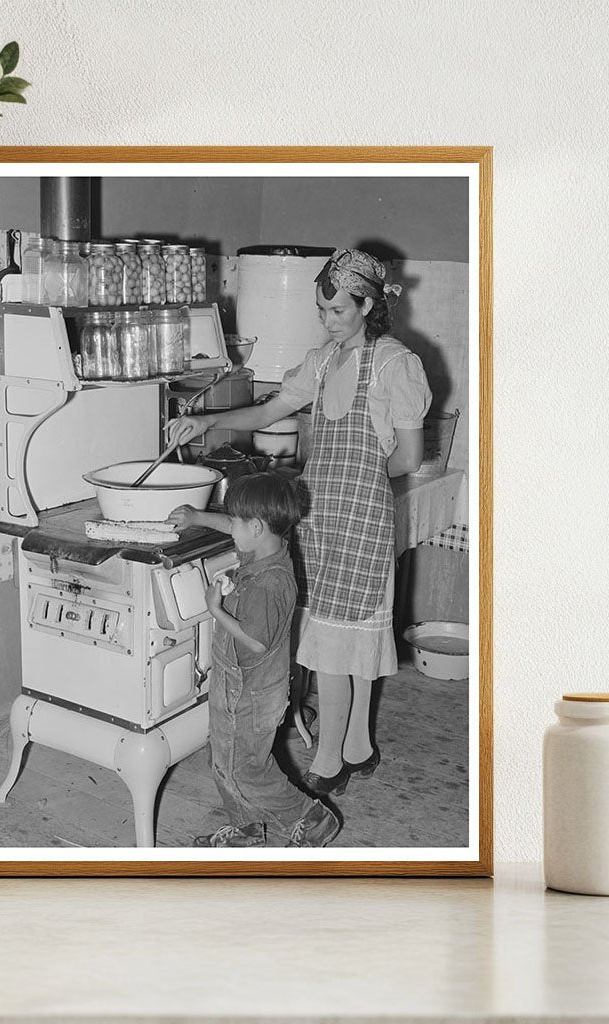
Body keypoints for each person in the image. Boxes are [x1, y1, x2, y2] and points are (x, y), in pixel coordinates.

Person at [166, 248, 432, 798]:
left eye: (337, 310)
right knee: (338, 639)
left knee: (338, 643)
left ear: (367, 304)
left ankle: (330, 761)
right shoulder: (325, 360)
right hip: (319, 513)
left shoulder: (395, 364)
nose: (327, 320)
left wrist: (351, 476)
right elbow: (268, 412)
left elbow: (406, 459)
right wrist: (202, 423)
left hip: (360, 517)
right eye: (321, 309)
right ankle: (358, 747)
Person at [169, 473, 340, 848]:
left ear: (258, 527)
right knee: (225, 759)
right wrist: (198, 517)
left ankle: (310, 818)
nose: (231, 530)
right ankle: (245, 829)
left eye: (235, 524)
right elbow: (239, 524)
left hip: (249, 694)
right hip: (239, 685)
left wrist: (217, 609)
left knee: (246, 768)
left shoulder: (269, 583)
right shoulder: (267, 550)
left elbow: (258, 641)